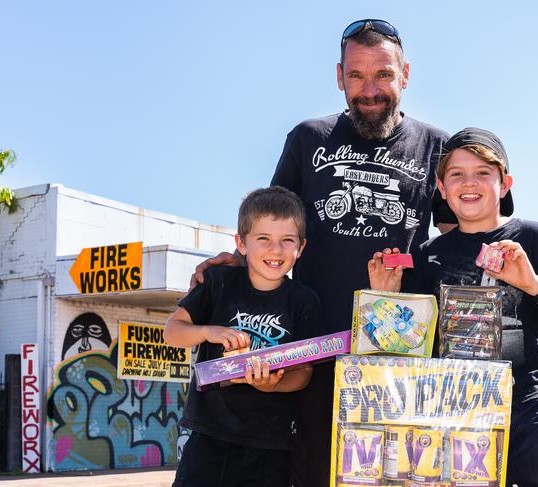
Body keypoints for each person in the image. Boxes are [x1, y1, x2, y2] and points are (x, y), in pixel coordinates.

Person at [190, 19, 449, 487]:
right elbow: (270, 222)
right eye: (356, 76)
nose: (370, 89)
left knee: (396, 473)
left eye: (384, 75)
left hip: (399, 351)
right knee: (314, 470)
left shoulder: (436, 146)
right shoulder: (308, 138)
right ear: (338, 76)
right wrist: (234, 258)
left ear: (405, 74)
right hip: (312, 347)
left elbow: (452, 246)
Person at [368, 127, 538, 487]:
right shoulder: (427, 254)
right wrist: (387, 298)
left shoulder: (534, 237)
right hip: (451, 410)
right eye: (456, 174)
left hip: (530, 407)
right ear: (442, 188)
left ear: (504, 184)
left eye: (483, 173)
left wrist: (533, 284)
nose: (469, 183)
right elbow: (408, 348)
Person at [165, 186, 321, 487]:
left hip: (271, 445)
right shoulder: (217, 282)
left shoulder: (305, 301)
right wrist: (208, 331)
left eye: (286, 241)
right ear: (242, 243)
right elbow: (173, 332)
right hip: (208, 436)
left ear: (300, 248)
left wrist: (273, 385)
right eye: (263, 239)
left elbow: (304, 372)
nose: (275, 251)